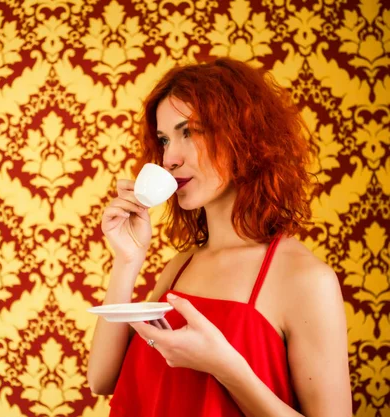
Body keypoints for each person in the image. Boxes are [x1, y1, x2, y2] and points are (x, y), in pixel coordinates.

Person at [87, 57, 352, 417]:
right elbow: (102, 380)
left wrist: (226, 367)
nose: (170, 158)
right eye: (164, 140)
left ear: (243, 136)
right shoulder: (180, 267)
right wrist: (127, 260)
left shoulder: (306, 279)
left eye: (190, 132)